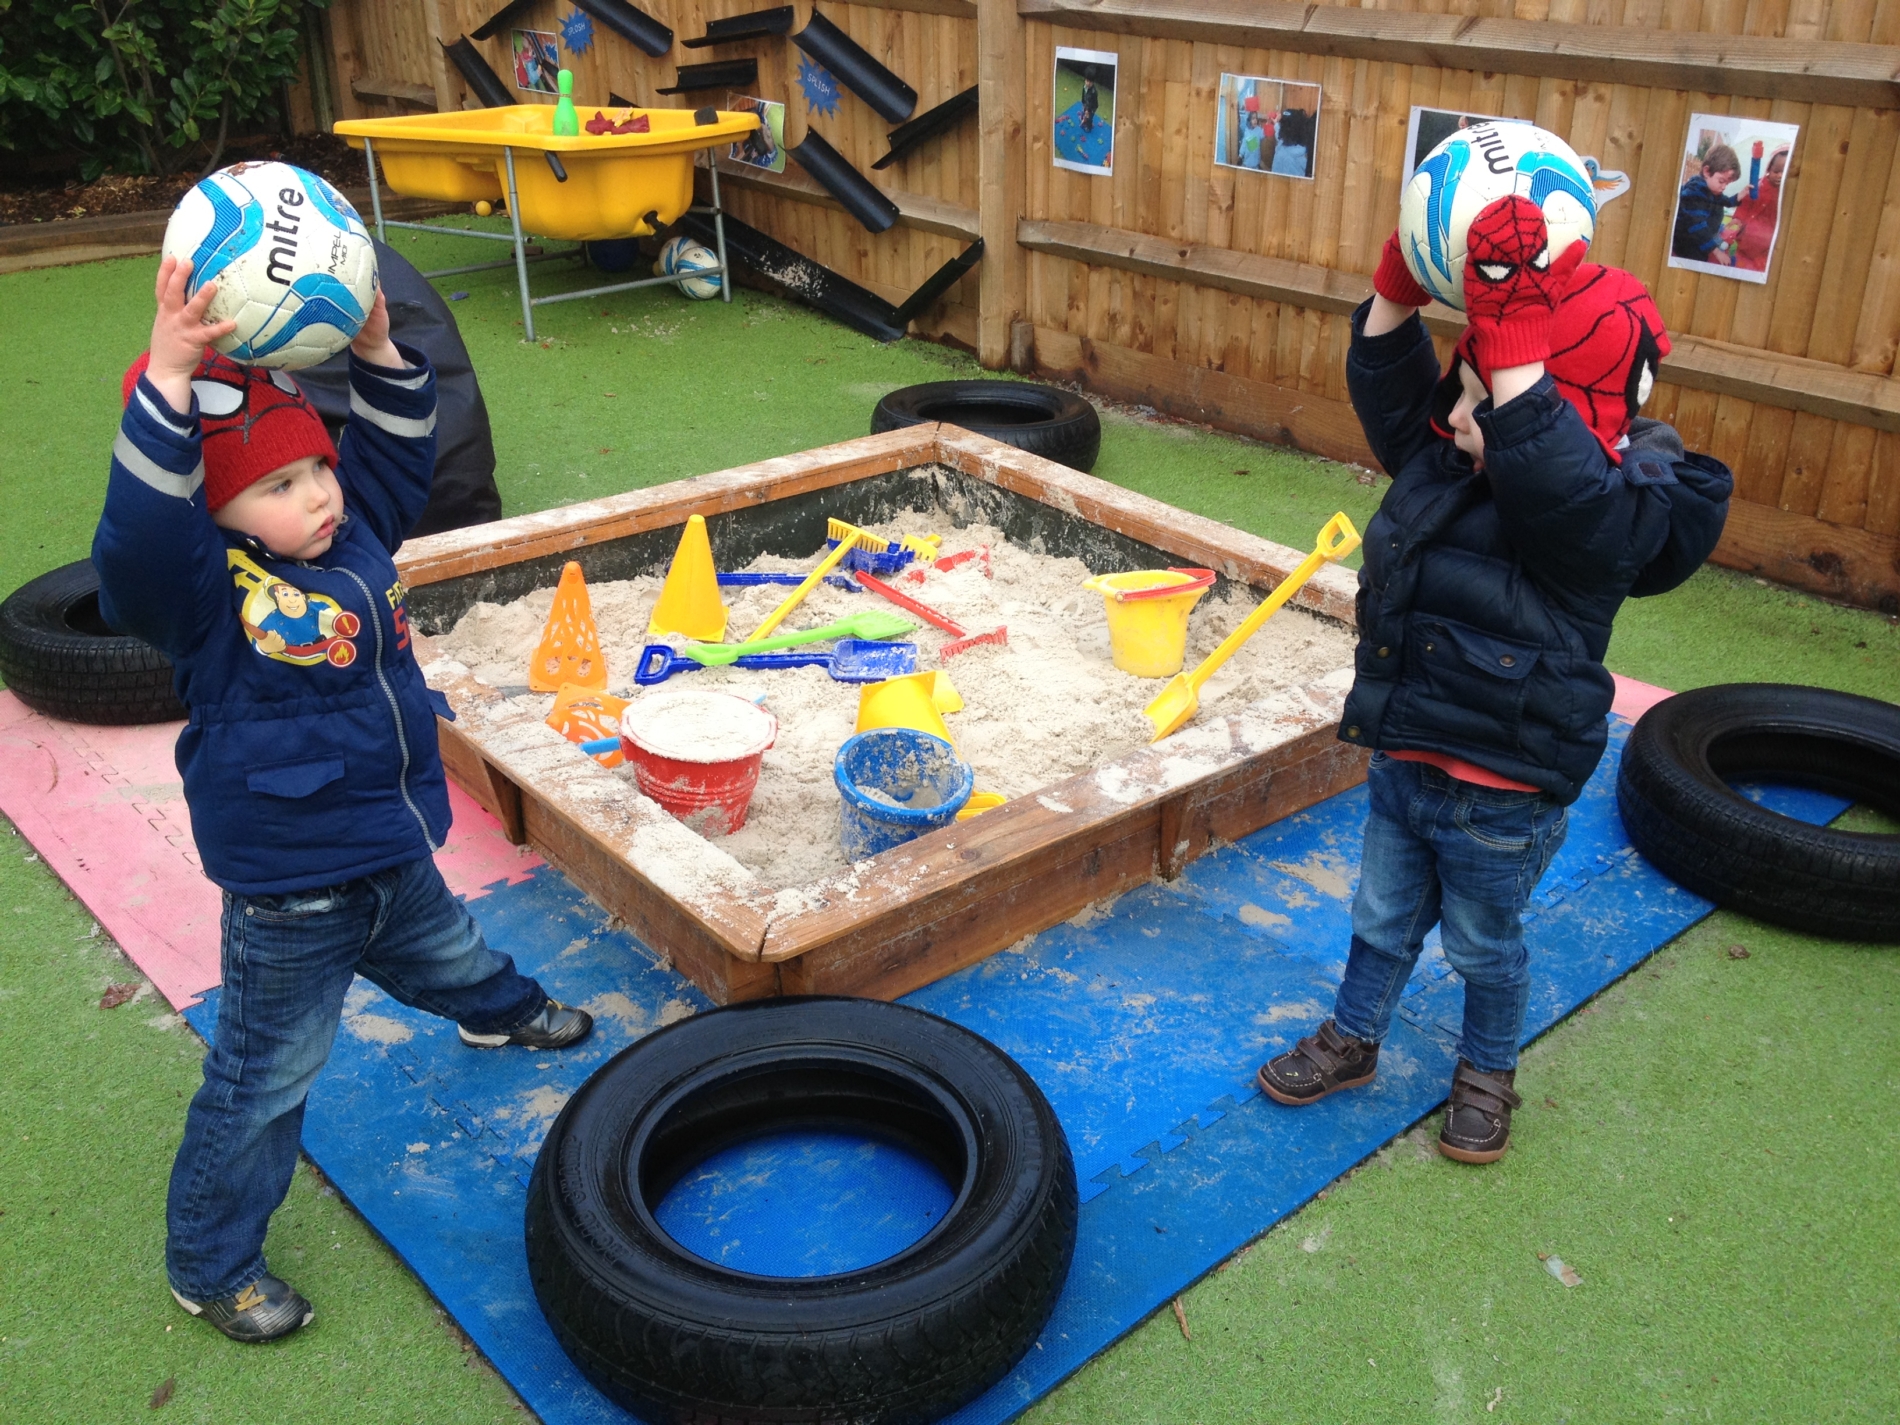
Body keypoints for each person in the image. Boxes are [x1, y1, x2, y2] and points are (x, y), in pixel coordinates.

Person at [94, 257, 594, 1344]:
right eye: (277, 487)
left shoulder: (353, 530)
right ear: (214, 507)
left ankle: (501, 1017)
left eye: (315, 468)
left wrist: (372, 350)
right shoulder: (203, 595)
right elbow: (134, 545)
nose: (316, 495)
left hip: (391, 838)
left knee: (449, 953)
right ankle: (210, 1260)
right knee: (266, 1081)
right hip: (292, 891)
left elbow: (400, 452)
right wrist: (171, 380)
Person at [1256, 197, 1731, 1163]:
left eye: (1490, 393)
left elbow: (1552, 478)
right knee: (1379, 919)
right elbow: (1395, 397)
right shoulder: (1447, 461)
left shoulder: (1605, 518)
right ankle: (1354, 1037)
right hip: (1410, 761)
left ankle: (1486, 1071)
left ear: (1562, 411)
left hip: (1504, 794)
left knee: (1485, 947)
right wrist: (1396, 291)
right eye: (1469, 383)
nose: (1459, 410)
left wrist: (1516, 342)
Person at [1672, 142, 1742, 265]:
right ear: (1707, 171)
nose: (1724, 187)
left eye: (1727, 184)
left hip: (1705, 235)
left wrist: (1741, 195)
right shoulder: (1694, 194)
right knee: (1699, 261)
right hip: (1687, 243)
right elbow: (1697, 226)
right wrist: (1716, 251)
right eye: (1722, 181)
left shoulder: (1712, 190)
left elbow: (1726, 201)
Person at [1731, 144, 1789, 272]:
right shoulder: (1758, 185)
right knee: (1739, 263)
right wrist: (1738, 220)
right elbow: (1745, 204)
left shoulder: (1788, 193)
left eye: (1784, 172)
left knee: (1760, 268)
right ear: (1769, 168)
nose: (1779, 176)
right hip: (1748, 237)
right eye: (1776, 171)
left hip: (1767, 245)